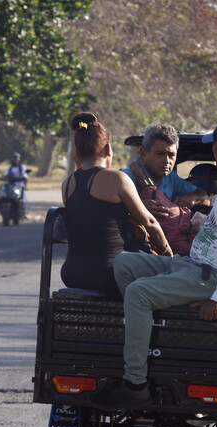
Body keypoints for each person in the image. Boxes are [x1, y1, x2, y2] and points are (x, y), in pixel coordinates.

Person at [89, 117, 217, 409]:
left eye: (214, 148)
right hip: (194, 265)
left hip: (212, 277)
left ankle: (135, 383)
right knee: (125, 264)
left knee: (137, 293)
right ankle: (150, 337)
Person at [59, 112, 172, 299]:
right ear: (108, 149)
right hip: (109, 274)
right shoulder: (118, 179)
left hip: (71, 273)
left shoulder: (67, 183)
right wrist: (169, 257)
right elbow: (150, 222)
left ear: (78, 152)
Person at [122, 124, 207, 219]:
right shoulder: (127, 178)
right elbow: (110, 208)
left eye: (171, 155)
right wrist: (137, 208)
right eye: (160, 154)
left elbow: (202, 193)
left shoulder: (171, 178)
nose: (167, 161)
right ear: (143, 153)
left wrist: (193, 197)